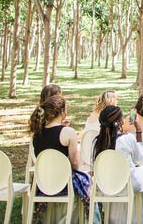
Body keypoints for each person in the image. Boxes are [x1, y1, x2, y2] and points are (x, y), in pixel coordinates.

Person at [29, 95, 92, 223]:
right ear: (62, 112)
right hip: (63, 183)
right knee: (87, 180)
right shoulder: (68, 132)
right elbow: (75, 163)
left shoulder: (36, 134)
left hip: (43, 182)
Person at [92, 105, 143, 224]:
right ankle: (137, 218)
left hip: (105, 184)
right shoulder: (126, 139)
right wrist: (138, 130)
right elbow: (140, 158)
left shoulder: (97, 142)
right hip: (126, 184)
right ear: (120, 121)